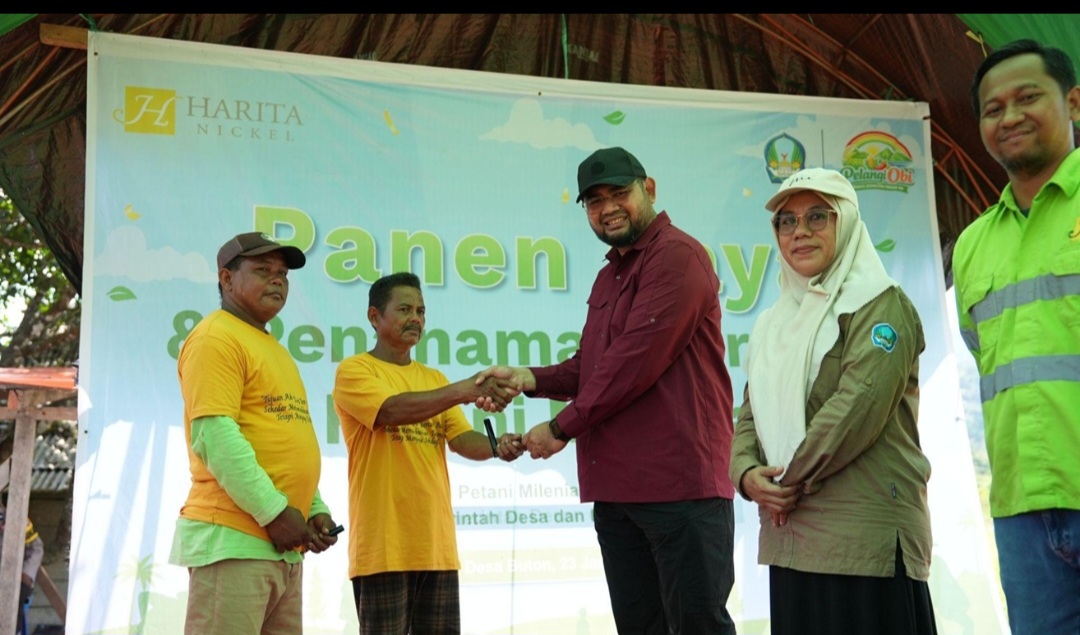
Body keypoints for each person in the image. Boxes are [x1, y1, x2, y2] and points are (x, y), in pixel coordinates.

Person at [480, 147, 737, 634]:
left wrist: (561, 428)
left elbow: (632, 363)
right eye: (594, 201)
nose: (608, 208)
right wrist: (529, 379)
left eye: (619, 193)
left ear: (649, 189)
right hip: (618, 493)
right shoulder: (609, 274)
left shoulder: (677, 256)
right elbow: (593, 366)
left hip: (679, 489)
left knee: (697, 625)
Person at [729, 168, 935, 634]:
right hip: (792, 539)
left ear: (846, 222)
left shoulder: (880, 303)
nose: (799, 231)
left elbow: (854, 411)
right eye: (787, 221)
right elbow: (751, 413)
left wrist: (782, 484)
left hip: (862, 544)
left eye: (817, 216)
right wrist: (745, 474)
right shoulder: (773, 322)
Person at [954, 39, 1080, 635]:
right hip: (1021, 513)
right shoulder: (973, 244)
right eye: (993, 108)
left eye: (1027, 98)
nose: (1009, 117)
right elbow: (986, 355)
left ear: (1073, 103)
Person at [332, 272, 524, 635]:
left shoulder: (434, 378)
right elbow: (390, 410)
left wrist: (498, 446)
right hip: (383, 549)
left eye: (421, 311)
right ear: (374, 316)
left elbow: (462, 439)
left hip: (436, 547)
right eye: (405, 309)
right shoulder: (355, 371)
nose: (416, 319)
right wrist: (463, 390)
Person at [170, 232, 339, 635]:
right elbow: (215, 436)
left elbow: (282, 439)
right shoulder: (216, 337)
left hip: (281, 548)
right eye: (263, 270)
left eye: (283, 273)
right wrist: (276, 513)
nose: (277, 279)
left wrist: (313, 508)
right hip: (234, 540)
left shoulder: (275, 349)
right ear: (227, 279)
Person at [0, 509, 44, 635]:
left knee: (14, 600)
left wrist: (26, 576)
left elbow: (36, 549)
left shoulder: (14, 515)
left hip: (15, 581)